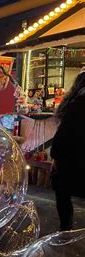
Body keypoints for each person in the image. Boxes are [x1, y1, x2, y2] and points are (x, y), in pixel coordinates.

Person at [50, 68, 85, 230]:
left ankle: (66, 229)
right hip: (77, 155)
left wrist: (55, 155)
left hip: (69, 155)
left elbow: (64, 132)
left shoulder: (73, 102)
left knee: (63, 193)